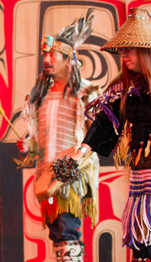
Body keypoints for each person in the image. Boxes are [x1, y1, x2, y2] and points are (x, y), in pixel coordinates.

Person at [17, 9, 99, 261]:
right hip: (46, 173)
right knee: (57, 233)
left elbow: (95, 133)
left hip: (69, 174)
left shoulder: (84, 94)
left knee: (68, 230)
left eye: (53, 55)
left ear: (68, 60)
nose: (47, 60)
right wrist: (29, 146)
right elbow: (39, 138)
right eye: (45, 55)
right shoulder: (42, 95)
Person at [78, 7, 151, 261]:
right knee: (143, 248)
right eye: (121, 48)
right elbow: (106, 122)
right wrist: (81, 150)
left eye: (128, 47)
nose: (123, 53)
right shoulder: (126, 88)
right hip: (142, 185)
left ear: (145, 49)